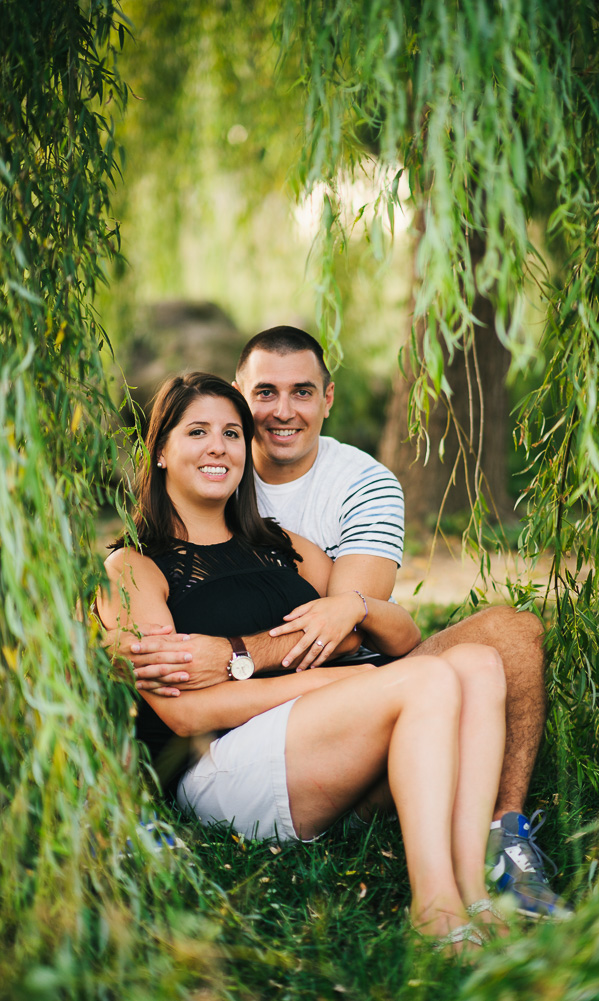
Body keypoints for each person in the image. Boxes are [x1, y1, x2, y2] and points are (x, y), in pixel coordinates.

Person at [112, 329, 567, 919]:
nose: (219, 448)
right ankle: (438, 915)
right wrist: (338, 684)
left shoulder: (282, 544)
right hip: (221, 768)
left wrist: (354, 609)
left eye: (230, 433)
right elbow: (182, 712)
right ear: (160, 451)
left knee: (478, 663)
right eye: (196, 433)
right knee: (427, 680)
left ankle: (481, 893)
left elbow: (387, 640)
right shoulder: (134, 565)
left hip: (315, 737)